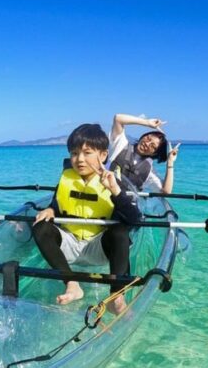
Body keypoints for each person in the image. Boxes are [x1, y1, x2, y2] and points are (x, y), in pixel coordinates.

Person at [32, 123, 142, 314]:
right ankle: (72, 284)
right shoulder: (67, 177)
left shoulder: (115, 181)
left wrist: (115, 191)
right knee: (40, 227)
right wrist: (50, 210)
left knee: (120, 232)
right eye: (74, 153)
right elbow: (57, 203)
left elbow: (135, 220)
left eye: (87, 152)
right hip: (69, 245)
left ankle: (116, 296)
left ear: (103, 155)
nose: (79, 159)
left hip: (98, 247)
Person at [109, 113, 180, 193]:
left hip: (124, 203)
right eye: (148, 138)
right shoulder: (120, 145)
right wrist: (147, 123)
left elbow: (166, 191)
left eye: (152, 146)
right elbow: (118, 118)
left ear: (154, 154)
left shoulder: (148, 171)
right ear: (143, 136)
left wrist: (170, 162)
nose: (147, 144)